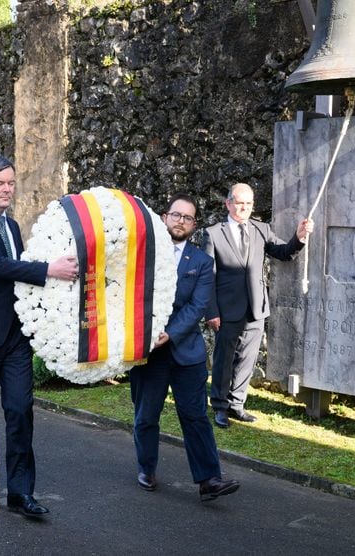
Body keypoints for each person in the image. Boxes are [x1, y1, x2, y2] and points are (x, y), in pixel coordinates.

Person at [0, 153, 78, 518]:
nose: (7, 190)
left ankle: (21, 492)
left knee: (20, 410)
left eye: (10, 183)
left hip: (14, 336)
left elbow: (16, 272)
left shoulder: (14, 225)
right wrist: (48, 269)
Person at [130, 194, 239, 501]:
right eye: (176, 215)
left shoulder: (202, 262)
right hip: (148, 353)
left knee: (195, 416)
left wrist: (169, 334)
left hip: (185, 351)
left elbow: (197, 305)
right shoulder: (141, 254)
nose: (180, 221)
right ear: (164, 217)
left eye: (188, 218)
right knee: (146, 415)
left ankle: (209, 480)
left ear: (194, 225)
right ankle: (146, 468)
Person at [203, 183, 313, 428]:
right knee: (224, 361)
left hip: (256, 309)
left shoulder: (261, 229)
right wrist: (211, 311)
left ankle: (237, 404)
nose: (244, 208)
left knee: (247, 360)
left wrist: (300, 237)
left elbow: (283, 252)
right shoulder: (213, 234)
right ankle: (220, 406)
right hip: (226, 310)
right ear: (228, 203)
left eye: (249, 203)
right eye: (240, 202)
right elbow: (207, 276)